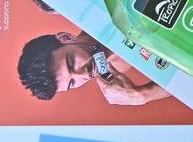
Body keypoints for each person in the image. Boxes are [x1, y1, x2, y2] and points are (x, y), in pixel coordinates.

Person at [17, 30, 172, 106]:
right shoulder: (118, 67)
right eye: (72, 83)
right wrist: (143, 95)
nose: (84, 74)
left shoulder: (100, 10)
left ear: (65, 38)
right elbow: (185, 80)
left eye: (72, 63)